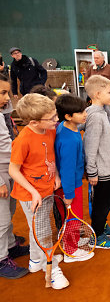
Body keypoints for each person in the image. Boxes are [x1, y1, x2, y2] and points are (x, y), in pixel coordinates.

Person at [8, 93, 69, 289]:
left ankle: (36, 260)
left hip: (48, 189)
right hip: (31, 195)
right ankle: (49, 269)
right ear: (34, 122)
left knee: (39, 228)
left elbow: (49, 157)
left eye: (55, 115)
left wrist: (57, 176)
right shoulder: (23, 139)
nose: (56, 120)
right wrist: (33, 192)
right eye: (52, 118)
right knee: (42, 232)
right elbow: (13, 170)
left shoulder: (49, 130)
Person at [83, 75, 110, 249]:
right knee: (102, 203)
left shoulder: (101, 112)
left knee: (106, 202)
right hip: (100, 172)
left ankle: (102, 226)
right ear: (98, 94)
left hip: (106, 168)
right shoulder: (95, 116)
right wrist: (92, 171)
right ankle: (97, 235)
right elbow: (90, 146)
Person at [54, 94, 94, 263]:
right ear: (68, 116)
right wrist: (69, 194)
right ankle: (70, 250)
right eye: (80, 112)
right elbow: (67, 169)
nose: (85, 114)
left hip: (73, 182)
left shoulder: (69, 127)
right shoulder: (68, 139)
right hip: (69, 186)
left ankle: (74, 240)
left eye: (84, 110)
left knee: (72, 217)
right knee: (72, 217)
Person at [0, 73, 29, 279]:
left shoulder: (2, 113)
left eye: (7, 92)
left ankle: (10, 246)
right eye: (2, 93)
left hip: (9, 167)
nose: (7, 97)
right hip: (1, 173)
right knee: (1, 219)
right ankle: (1, 260)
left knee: (9, 211)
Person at [85, 51, 110, 137]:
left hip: (105, 96)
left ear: (103, 58)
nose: (95, 60)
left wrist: (109, 92)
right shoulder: (91, 68)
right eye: (94, 58)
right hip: (94, 97)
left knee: (109, 113)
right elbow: (86, 80)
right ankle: (94, 131)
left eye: (97, 58)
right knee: (94, 113)